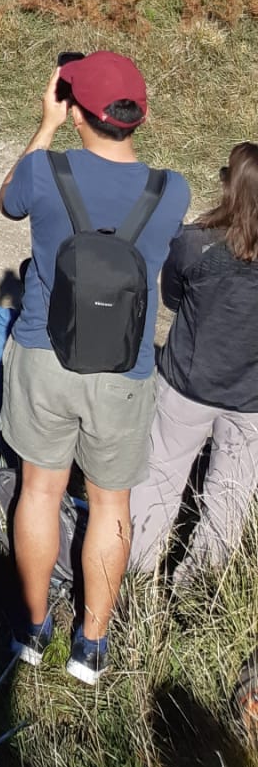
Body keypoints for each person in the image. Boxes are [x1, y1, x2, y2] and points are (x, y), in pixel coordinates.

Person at [0, 52, 189, 684]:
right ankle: (92, 645)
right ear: (140, 116)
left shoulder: (44, 171)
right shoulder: (172, 190)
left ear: (75, 107)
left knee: (41, 491)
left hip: (46, 355)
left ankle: (32, 629)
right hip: (126, 372)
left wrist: (46, 126)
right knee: (111, 507)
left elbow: (8, 201)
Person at [129, 142, 258, 581]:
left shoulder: (196, 241)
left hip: (186, 384)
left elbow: (171, 296)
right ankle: (198, 589)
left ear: (231, 188)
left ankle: (133, 579)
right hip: (251, 399)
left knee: (158, 479)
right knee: (230, 498)